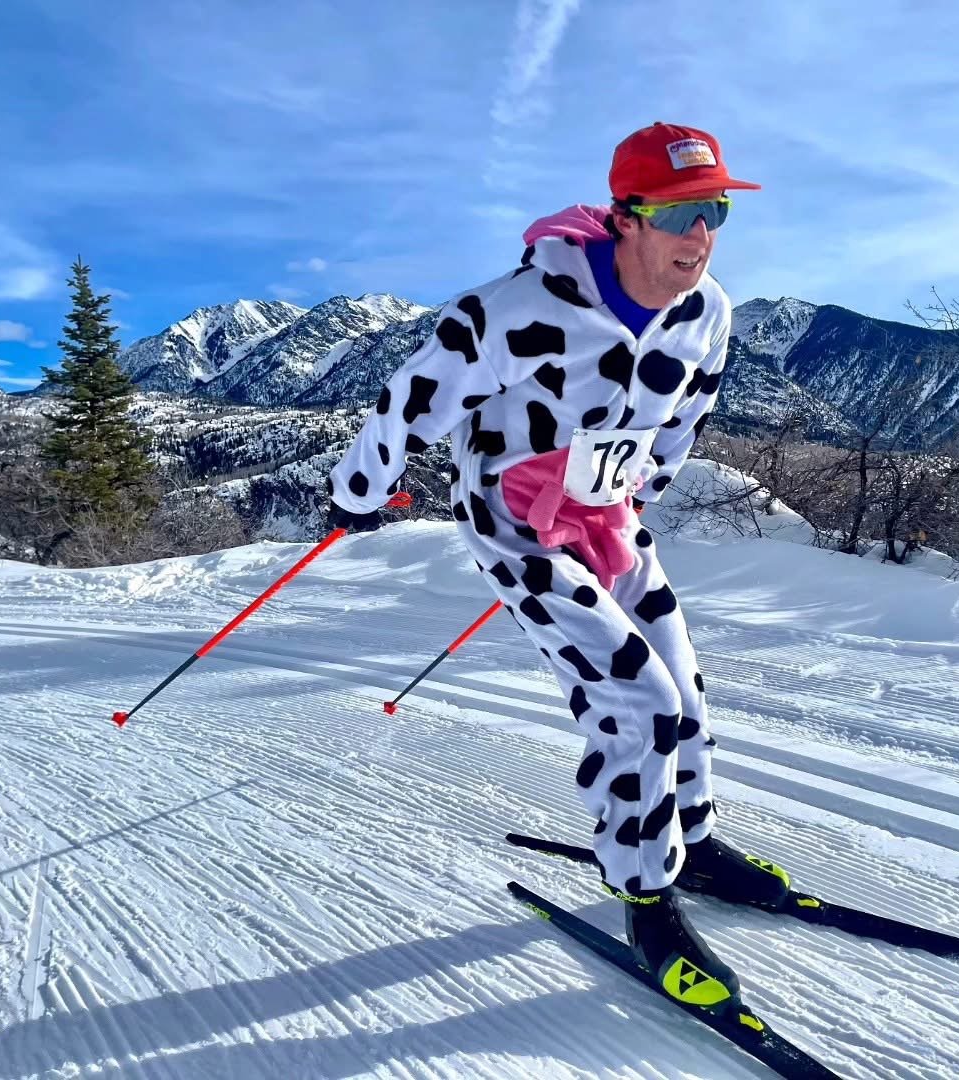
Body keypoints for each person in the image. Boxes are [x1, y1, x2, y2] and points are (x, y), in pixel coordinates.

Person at [325, 122, 790, 1012]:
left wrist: (642, 490)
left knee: (683, 687)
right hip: (515, 520)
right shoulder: (517, 309)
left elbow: (682, 420)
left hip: (607, 515)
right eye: (680, 214)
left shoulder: (707, 314)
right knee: (639, 702)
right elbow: (411, 401)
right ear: (626, 218)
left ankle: (692, 840)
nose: (701, 236)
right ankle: (646, 896)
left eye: (716, 212)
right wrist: (358, 491)